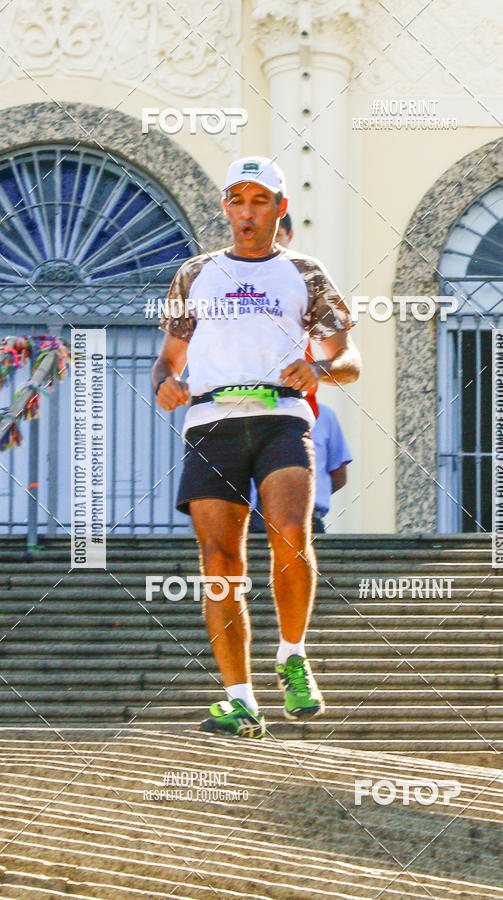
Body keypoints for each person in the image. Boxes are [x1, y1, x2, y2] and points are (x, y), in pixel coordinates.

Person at [152, 156, 361, 738]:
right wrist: (166, 386)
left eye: (260, 201)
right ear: (225, 207)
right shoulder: (194, 274)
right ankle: (240, 699)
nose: (247, 213)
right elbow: (167, 363)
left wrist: (319, 369)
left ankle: (293, 656)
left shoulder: (306, 273)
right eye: (237, 201)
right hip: (212, 420)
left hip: (280, 416)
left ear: (280, 208)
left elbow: (349, 360)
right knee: (220, 564)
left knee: (291, 532)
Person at [249, 402, 353, 533]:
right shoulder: (246, 412)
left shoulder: (325, 416)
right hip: (254, 521)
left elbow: (338, 475)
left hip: (307, 520)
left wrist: (300, 495)